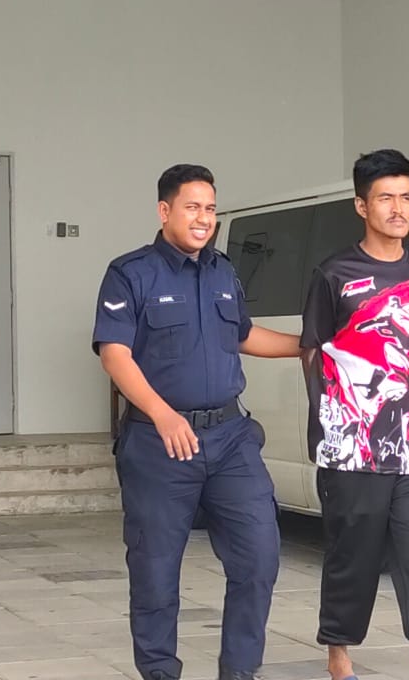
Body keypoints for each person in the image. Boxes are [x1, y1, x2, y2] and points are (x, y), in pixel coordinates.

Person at [91, 164, 300, 680]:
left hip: (230, 440)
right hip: (160, 443)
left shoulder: (223, 271)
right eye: (192, 207)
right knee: (155, 573)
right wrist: (162, 414)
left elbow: (243, 335)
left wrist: (309, 346)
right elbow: (115, 353)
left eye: (210, 208)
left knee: (258, 558)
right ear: (165, 211)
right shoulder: (131, 273)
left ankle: (240, 672)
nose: (204, 218)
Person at [300, 149, 409, 680]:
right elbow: (312, 352)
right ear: (361, 206)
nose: (398, 208)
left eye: (406, 197)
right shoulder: (334, 274)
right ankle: (339, 654)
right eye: (386, 197)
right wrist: (328, 425)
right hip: (351, 445)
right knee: (354, 554)